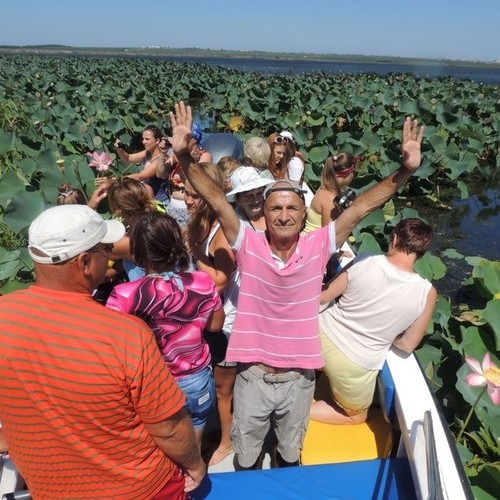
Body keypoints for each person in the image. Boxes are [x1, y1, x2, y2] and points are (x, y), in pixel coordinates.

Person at [169, 100, 424, 470]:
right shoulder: (248, 244)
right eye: (275, 208)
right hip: (253, 378)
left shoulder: (319, 246)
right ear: (264, 212)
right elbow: (216, 200)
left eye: (292, 208)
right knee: (247, 457)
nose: (284, 215)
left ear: (305, 214)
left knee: (290, 455)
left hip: (300, 382)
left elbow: (362, 207)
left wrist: (406, 170)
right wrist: (183, 156)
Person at [0, 204, 206, 499]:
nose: (111, 255)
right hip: (140, 489)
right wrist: (195, 464)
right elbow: (169, 428)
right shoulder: (126, 334)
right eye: (106, 249)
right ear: (85, 262)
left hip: (51, 490)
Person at [106, 212, 225, 449]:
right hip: (197, 381)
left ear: (137, 252)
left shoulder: (125, 295)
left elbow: (114, 348)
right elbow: (215, 325)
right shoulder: (202, 281)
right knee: (194, 449)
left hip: (156, 385)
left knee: (162, 452)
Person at [311, 218, 437, 424]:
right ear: (422, 252)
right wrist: (387, 333)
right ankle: (296, 410)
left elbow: (324, 297)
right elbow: (408, 345)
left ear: (394, 238)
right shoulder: (427, 293)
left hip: (318, 336)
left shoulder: (366, 259)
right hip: (354, 363)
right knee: (357, 416)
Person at [208, 166, 274, 466]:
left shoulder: (274, 219)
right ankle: (226, 442)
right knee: (226, 388)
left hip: (267, 319)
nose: (255, 198)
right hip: (235, 322)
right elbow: (220, 280)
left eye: (258, 191)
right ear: (237, 199)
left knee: (260, 382)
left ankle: (255, 436)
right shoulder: (229, 229)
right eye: (247, 194)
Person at [303, 152, 360, 233]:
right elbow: (330, 234)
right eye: (354, 173)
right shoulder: (331, 199)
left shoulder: (323, 189)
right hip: (313, 240)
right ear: (347, 173)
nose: (354, 176)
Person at [115, 125, 171, 201]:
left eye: (147, 139)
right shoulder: (147, 153)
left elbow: (140, 177)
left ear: (157, 140)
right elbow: (128, 158)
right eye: (143, 139)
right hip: (150, 197)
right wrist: (118, 148)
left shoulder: (160, 159)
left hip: (160, 201)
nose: (144, 142)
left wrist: (116, 180)